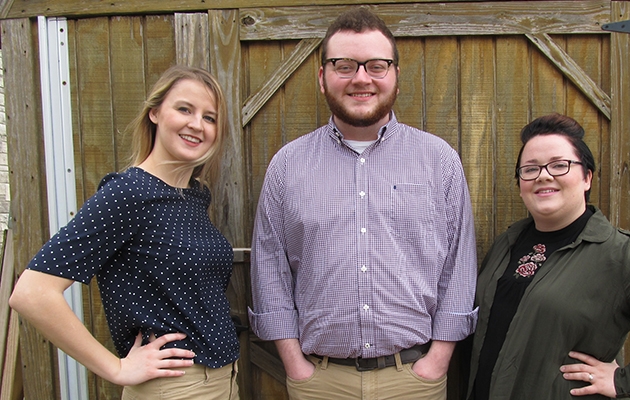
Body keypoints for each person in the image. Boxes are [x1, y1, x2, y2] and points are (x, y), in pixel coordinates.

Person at [249, 7, 478, 400]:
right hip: (319, 383)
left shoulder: (438, 160)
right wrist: (295, 366)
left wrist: (437, 360)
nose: (360, 78)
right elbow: (269, 268)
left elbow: (459, 266)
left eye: (376, 65)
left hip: (412, 380)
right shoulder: (287, 165)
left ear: (395, 76)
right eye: (344, 65)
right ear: (322, 78)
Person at [9, 65, 240, 399]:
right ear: (155, 114)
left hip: (224, 380)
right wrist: (115, 369)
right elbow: (32, 293)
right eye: (184, 109)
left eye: (210, 117)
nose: (196, 124)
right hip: (174, 388)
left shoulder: (194, 195)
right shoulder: (128, 193)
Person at [466, 113, 630, 399]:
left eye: (559, 165)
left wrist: (627, 380)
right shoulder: (507, 243)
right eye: (530, 169)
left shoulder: (618, 254)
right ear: (520, 184)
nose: (544, 175)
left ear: (586, 177)